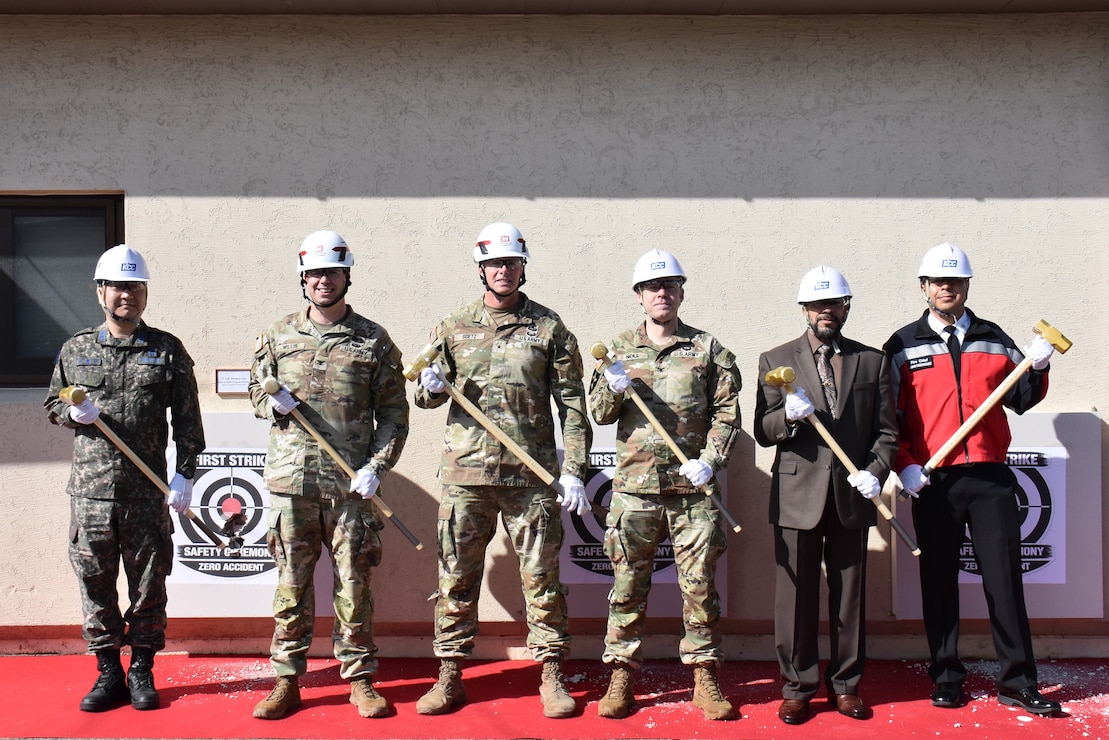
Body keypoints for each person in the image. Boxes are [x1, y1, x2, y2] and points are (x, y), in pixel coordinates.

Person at [413, 221, 592, 719]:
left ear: (522, 267)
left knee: (542, 578)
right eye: (494, 263)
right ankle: (450, 675)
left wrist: (574, 470)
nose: (503, 271)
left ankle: (551, 674)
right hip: (466, 475)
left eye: (511, 262)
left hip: (529, 477)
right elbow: (424, 398)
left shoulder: (549, 328)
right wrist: (430, 385)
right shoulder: (453, 326)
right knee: (455, 577)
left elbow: (572, 405)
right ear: (481, 269)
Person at [884, 242, 1060, 716]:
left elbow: (1021, 397)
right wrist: (904, 465)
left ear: (966, 286)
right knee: (938, 580)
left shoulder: (993, 337)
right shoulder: (901, 345)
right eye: (938, 281)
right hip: (933, 480)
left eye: (955, 281)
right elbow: (889, 420)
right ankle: (946, 677)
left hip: (990, 477)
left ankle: (1018, 681)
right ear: (924, 287)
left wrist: (1039, 365)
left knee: (1004, 580)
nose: (947, 288)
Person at [248, 230, 410, 720]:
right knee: (291, 586)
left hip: (350, 488)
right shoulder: (277, 335)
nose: (324, 281)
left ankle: (359, 679)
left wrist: (376, 467)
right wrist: (271, 404)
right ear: (304, 278)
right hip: (291, 483)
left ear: (346, 276)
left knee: (354, 586)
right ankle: (286, 681)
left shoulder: (373, 339)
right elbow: (256, 391)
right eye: (315, 273)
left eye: (332, 273)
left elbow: (394, 413)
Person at [45, 244, 205, 712]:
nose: (127, 295)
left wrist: (185, 476)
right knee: (95, 582)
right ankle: (108, 671)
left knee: (149, 585)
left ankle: (141, 669)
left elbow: (189, 424)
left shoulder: (167, 350)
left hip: (146, 494)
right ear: (101, 292)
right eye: (117, 286)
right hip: (91, 495)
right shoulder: (76, 348)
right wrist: (72, 412)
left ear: (145, 293)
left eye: (135, 286)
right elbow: (53, 403)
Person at [589, 249, 742, 721]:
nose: (662, 293)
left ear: (681, 292)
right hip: (634, 491)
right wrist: (610, 386)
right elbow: (599, 414)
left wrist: (710, 461)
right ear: (639, 296)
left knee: (699, 588)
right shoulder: (615, 351)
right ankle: (621, 675)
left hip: (692, 492)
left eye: (670, 286)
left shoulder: (707, 349)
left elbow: (726, 414)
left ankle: (704, 676)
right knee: (627, 586)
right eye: (653, 287)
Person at [753, 265, 897, 726]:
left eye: (834, 303)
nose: (826, 311)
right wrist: (788, 417)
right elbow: (763, 430)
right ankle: (797, 687)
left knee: (849, 595)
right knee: (795, 597)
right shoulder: (775, 359)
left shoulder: (872, 361)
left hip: (852, 493)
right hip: (797, 493)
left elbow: (887, 432)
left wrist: (876, 472)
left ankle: (846, 685)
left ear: (846, 307)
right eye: (818, 305)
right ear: (804, 309)